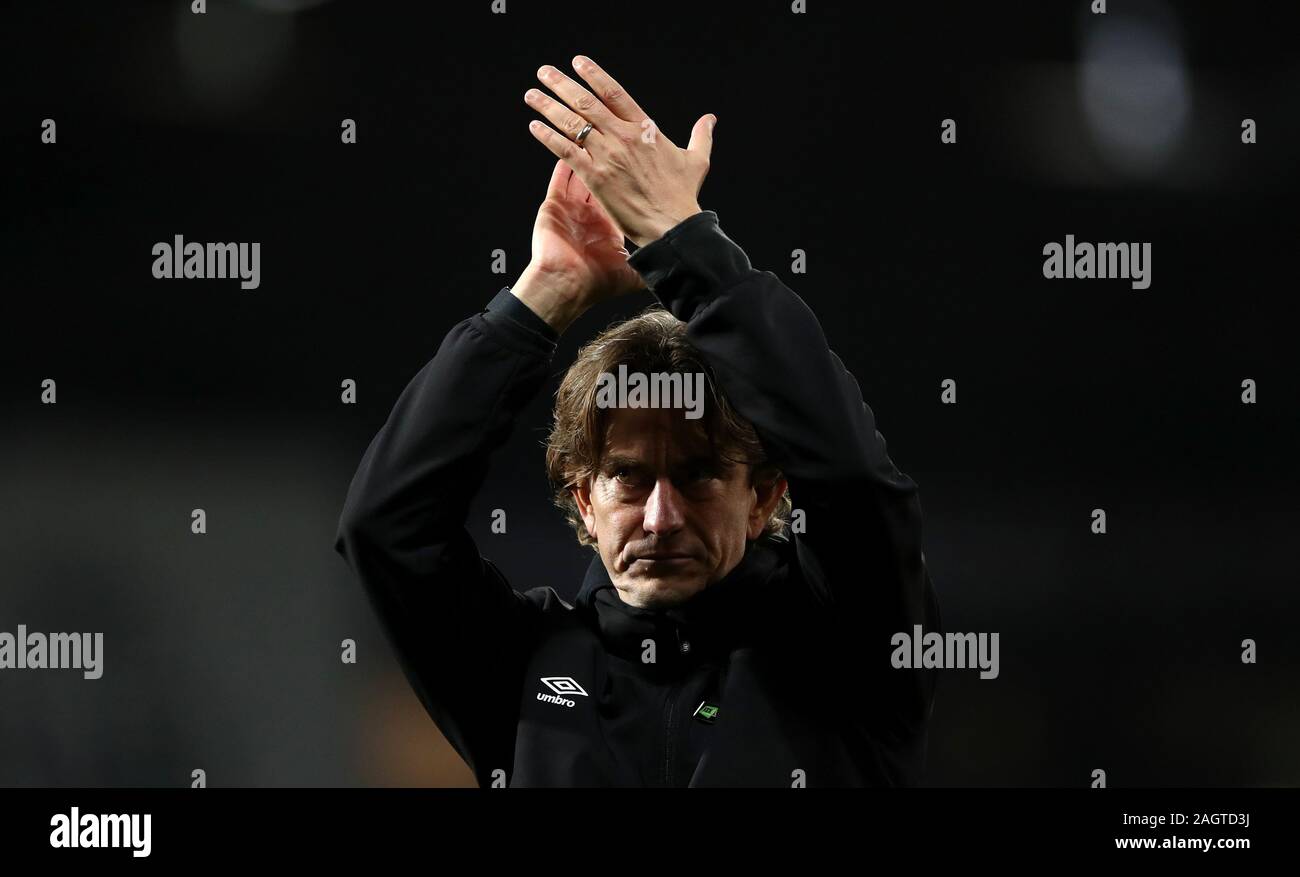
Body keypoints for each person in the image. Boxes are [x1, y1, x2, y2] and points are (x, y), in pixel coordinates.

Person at [333, 56, 940, 787]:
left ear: (769, 497)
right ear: (584, 500)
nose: (660, 517)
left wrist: (684, 244)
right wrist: (543, 293)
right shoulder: (520, 664)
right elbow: (385, 525)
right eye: (626, 476)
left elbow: (854, 481)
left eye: (699, 474)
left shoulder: (847, 649)